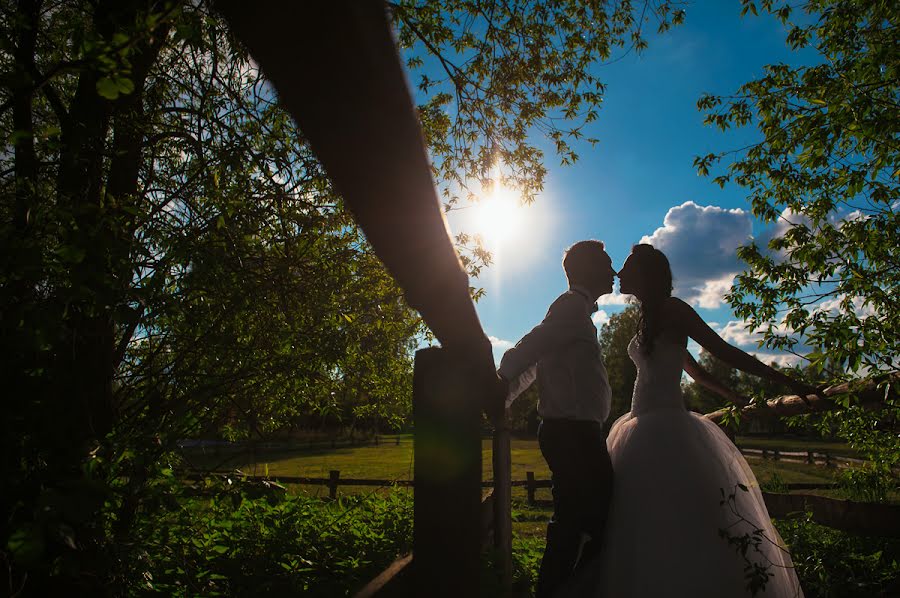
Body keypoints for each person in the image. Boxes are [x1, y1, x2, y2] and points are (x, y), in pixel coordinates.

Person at [569, 243, 808, 597]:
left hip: (666, 428)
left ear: (646, 273)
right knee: (644, 520)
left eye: (628, 266)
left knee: (678, 516)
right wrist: (733, 398)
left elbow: (723, 351)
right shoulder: (648, 316)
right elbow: (694, 372)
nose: (619, 273)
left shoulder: (674, 310)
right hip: (639, 423)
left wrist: (787, 382)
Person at [497, 240, 617, 598]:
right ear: (589, 270)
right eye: (607, 263)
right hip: (572, 434)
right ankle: (560, 590)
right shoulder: (570, 308)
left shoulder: (577, 312)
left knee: (580, 519)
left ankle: (561, 589)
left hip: (576, 432)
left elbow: (536, 364)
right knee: (596, 518)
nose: (613, 271)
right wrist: (500, 383)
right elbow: (531, 347)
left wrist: (506, 394)